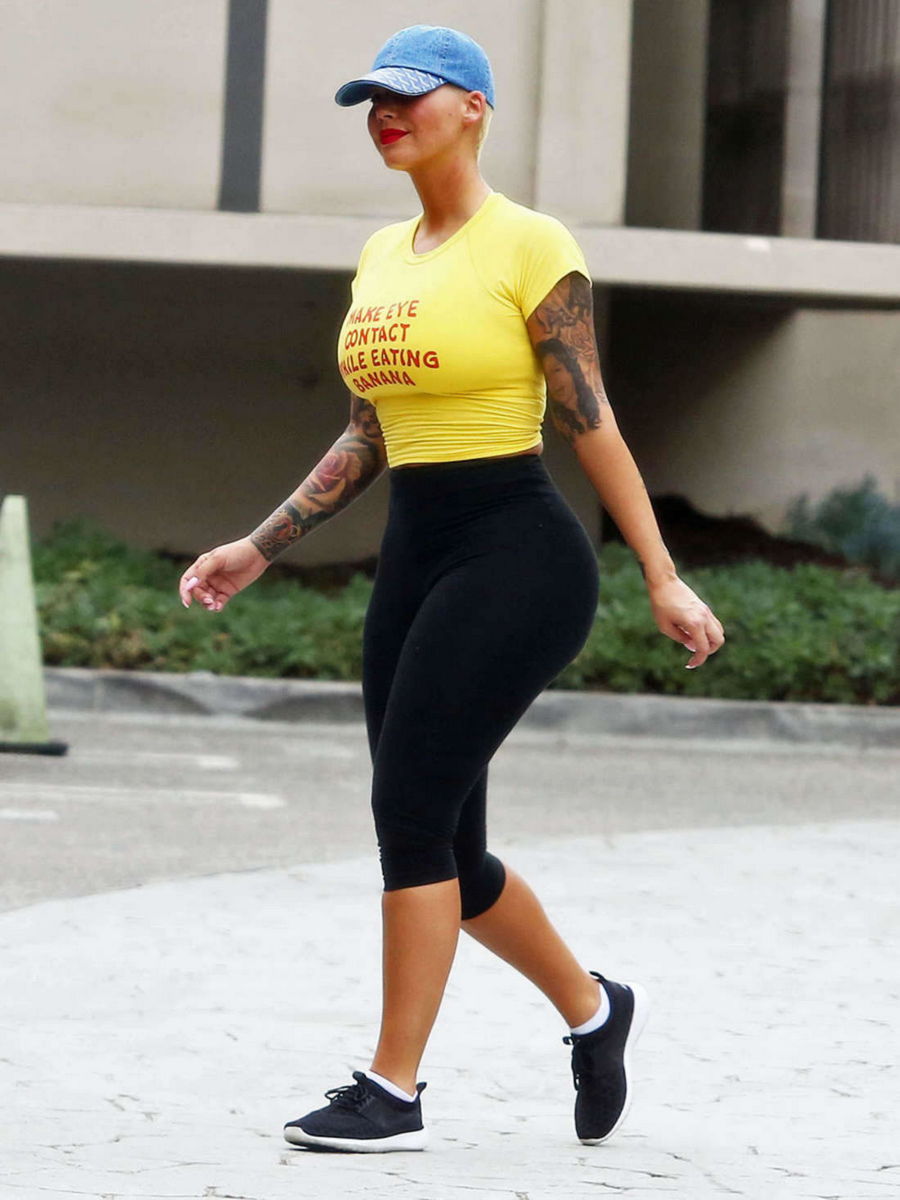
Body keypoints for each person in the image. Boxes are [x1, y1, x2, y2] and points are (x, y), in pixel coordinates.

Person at [178, 24, 725, 1154]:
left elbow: (590, 419)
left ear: (474, 106)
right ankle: (595, 1010)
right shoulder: (382, 255)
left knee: (409, 813)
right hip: (418, 556)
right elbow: (369, 432)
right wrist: (260, 545)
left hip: (518, 554)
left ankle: (393, 1091)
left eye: (409, 96)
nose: (386, 115)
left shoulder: (530, 243)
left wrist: (662, 576)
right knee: (452, 850)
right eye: (371, 101)